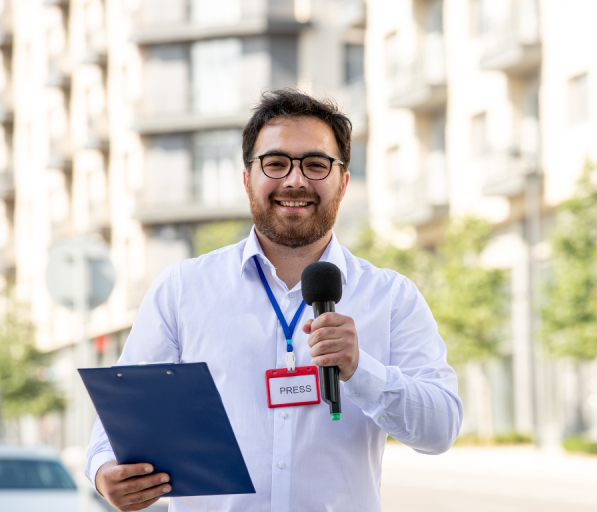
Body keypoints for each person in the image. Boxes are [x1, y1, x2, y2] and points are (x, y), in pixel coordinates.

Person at [85, 89, 462, 512]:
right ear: (247, 178)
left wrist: (361, 370)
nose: (295, 180)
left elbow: (441, 427)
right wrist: (104, 473)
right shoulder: (181, 289)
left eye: (316, 165)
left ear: (344, 182)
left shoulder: (391, 297)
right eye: (276, 163)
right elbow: (118, 419)